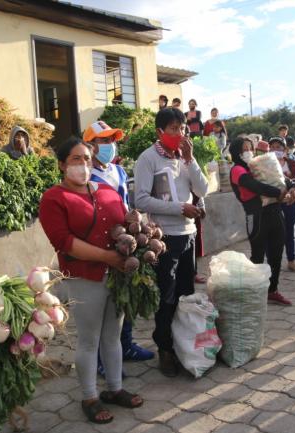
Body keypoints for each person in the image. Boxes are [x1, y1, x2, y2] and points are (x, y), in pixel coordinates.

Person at [39, 137, 143, 424]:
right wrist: (106, 257)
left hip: (116, 275)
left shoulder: (107, 190)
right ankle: (89, 397)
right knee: (88, 340)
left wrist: (140, 228)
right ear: (62, 164)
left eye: (86, 158)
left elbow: (124, 222)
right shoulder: (54, 198)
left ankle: (115, 389)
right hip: (85, 276)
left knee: (113, 335)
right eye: (75, 159)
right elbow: (65, 242)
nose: (83, 164)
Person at [133, 108, 209, 377]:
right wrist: (180, 208)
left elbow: (202, 190)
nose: (180, 134)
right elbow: (140, 200)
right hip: (164, 238)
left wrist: (191, 161)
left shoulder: (186, 157)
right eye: (174, 128)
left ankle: (184, 344)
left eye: (183, 128)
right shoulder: (148, 159)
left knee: (186, 293)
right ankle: (165, 348)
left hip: (189, 234)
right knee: (167, 296)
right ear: (160, 132)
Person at [84, 121, 154, 364]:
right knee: (106, 303)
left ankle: (126, 345)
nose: (109, 146)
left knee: (126, 294)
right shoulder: (86, 176)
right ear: (90, 146)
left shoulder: (119, 171)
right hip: (102, 245)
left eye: (112, 140)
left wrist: (136, 221)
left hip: (126, 240)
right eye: (103, 141)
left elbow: (126, 202)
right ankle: (103, 359)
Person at [228, 136, 295, 305]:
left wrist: (292, 188)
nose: (248, 151)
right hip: (256, 216)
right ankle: (254, 292)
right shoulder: (237, 170)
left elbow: (279, 176)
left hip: (274, 212)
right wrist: (278, 193)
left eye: (250, 147)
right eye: (244, 148)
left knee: (276, 254)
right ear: (236, 151)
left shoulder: (257, 164)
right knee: (257, 255)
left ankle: (272, 290)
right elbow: (254, 186)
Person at [269, 137, 295, 273]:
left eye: (278, 147)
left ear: (284, 149)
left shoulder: (291, 161)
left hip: (290, 201)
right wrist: (286, 176)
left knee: (290, 230)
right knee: (272, 233)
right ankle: (271, 263)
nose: (275, 149)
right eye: (272, 147)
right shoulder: (267, 163)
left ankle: (292, 260)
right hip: (273, 201)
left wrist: (283, 178)